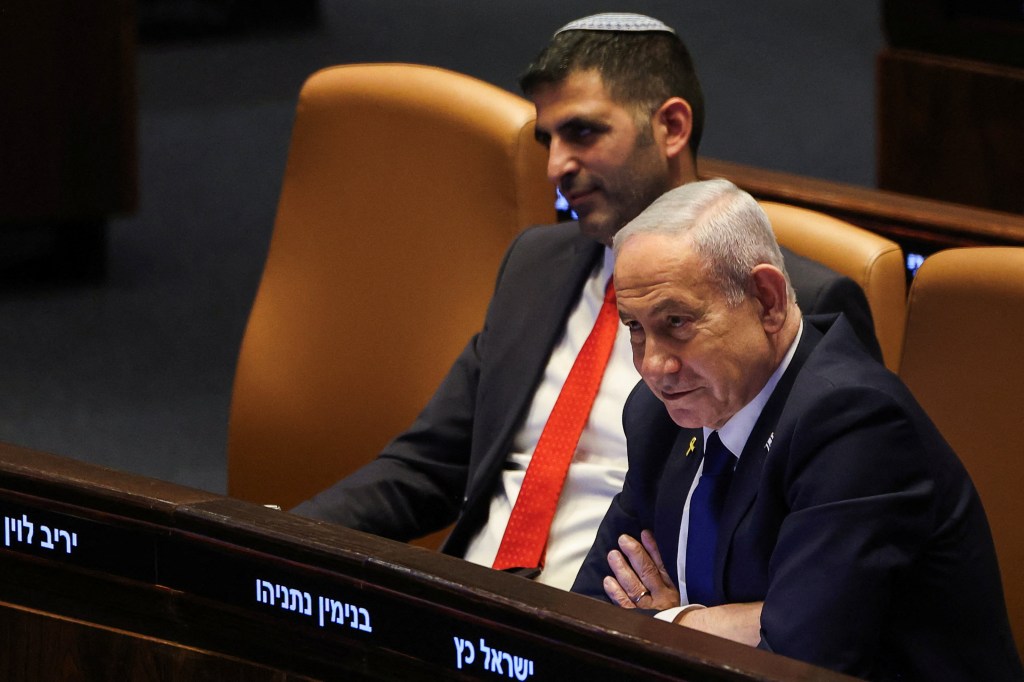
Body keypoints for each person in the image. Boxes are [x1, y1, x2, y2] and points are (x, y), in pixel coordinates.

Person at [292, 13, 881, 590]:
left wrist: (683, 619)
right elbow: (429, 466)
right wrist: (275, 536)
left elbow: (817, 543)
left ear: (671, 127)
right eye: (547, 139)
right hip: (462, 607)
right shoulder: (534, 266)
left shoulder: (793, 303)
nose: (554, 167)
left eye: (583, 133)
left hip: (612, 632)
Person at [571, 178, 1024, 680]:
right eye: (635, 328)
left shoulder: (855, 424)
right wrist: (739, 623)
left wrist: (674, 621)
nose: (653, 366)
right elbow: (588, 616)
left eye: (676, 321)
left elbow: (795, 663)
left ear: (767, 300)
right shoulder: (660, 414)